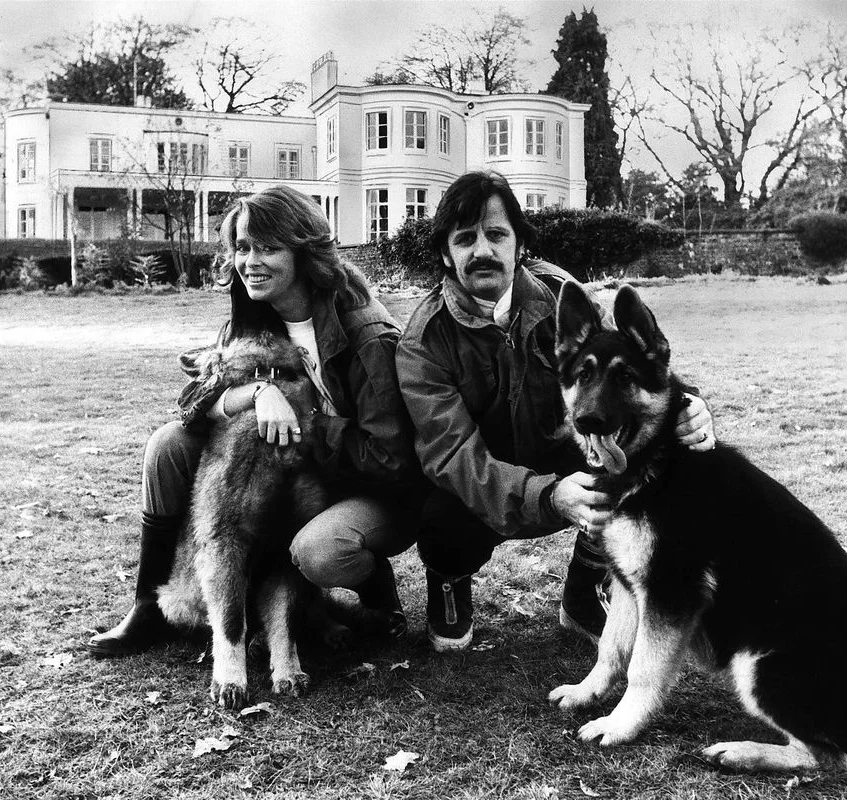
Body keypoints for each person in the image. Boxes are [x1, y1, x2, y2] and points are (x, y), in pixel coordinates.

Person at [87, 186, 422, 656]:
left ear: (305, 253)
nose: (250, 261)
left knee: (318, 550)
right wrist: (259, 392)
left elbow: (387, 459)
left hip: (364, 483)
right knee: (167, 446)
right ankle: (148, 607)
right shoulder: (252, 315)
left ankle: (372, 586)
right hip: (299, 466)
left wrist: (305, 418)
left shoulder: (366, 334)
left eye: (268, 247)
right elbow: (192, 403)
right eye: (242, 247)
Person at [395, 171, 715, 653]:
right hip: (481, 480)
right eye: (465, 239)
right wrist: (547, 496)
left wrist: (689, 404)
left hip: (561, 451)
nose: (482, 250)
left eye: (497, 234)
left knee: (642, 457)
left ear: (519, 243)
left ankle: (586, 589)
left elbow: (623, 364)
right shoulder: (422, 342)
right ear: (446, 253)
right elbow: (455, 456)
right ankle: (449, 581)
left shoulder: (557, 294)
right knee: (443, 510)